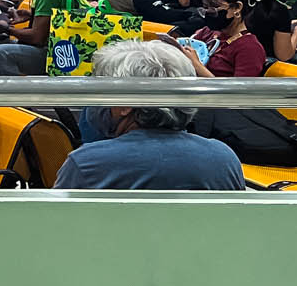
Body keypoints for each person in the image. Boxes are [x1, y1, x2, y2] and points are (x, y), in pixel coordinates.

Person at [56, 40, 246, 190]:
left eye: (103, 92)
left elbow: (55, 229)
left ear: (126, 105)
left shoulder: (86, 164)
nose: (97, 102)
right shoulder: (224, 159)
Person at [181, 0, 274, 77]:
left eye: (214, 8)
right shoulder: (208, 32)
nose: (208, 13)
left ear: (237, 8)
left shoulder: (249, 48)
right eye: (205, 7)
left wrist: (197, 66)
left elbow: (238, 91)